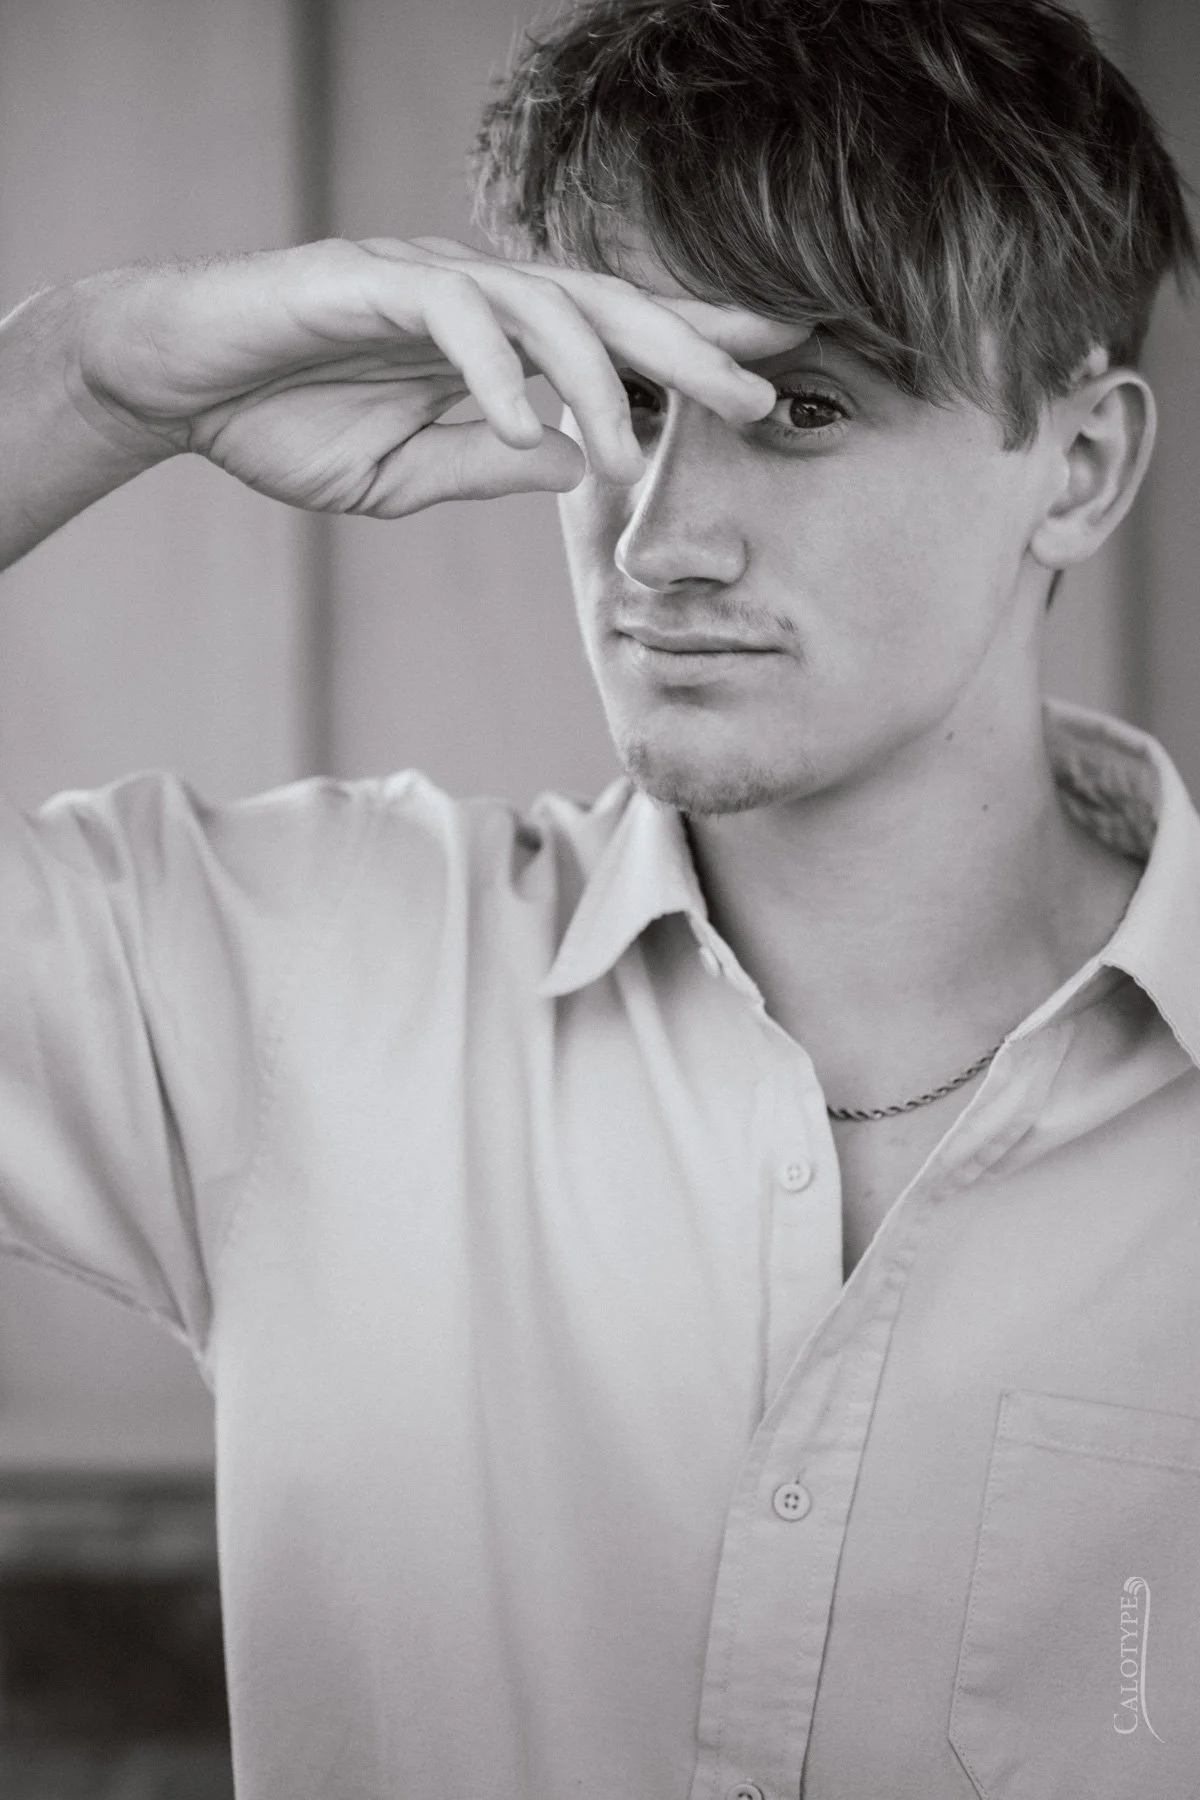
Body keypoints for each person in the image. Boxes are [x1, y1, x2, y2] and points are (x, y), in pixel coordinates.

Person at [0, 0, 1197, 1793]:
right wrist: (91, 380)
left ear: (1081, 467)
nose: (658, 540)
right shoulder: (291, 973)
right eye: (628, 401)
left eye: (804, 408)